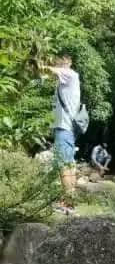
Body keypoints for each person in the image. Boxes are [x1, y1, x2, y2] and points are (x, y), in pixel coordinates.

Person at [39, 52, 81, 209]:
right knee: (69, 165)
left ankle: (68, 204)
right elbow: (48, 76)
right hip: (67, 128)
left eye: (60, 61)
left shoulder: (69, 74)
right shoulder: (69, 78)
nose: (57, 64)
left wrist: (35, 65)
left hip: (64, 128)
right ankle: (70, 201)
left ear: (68, 62)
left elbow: (49, 71)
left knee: (63, 164)